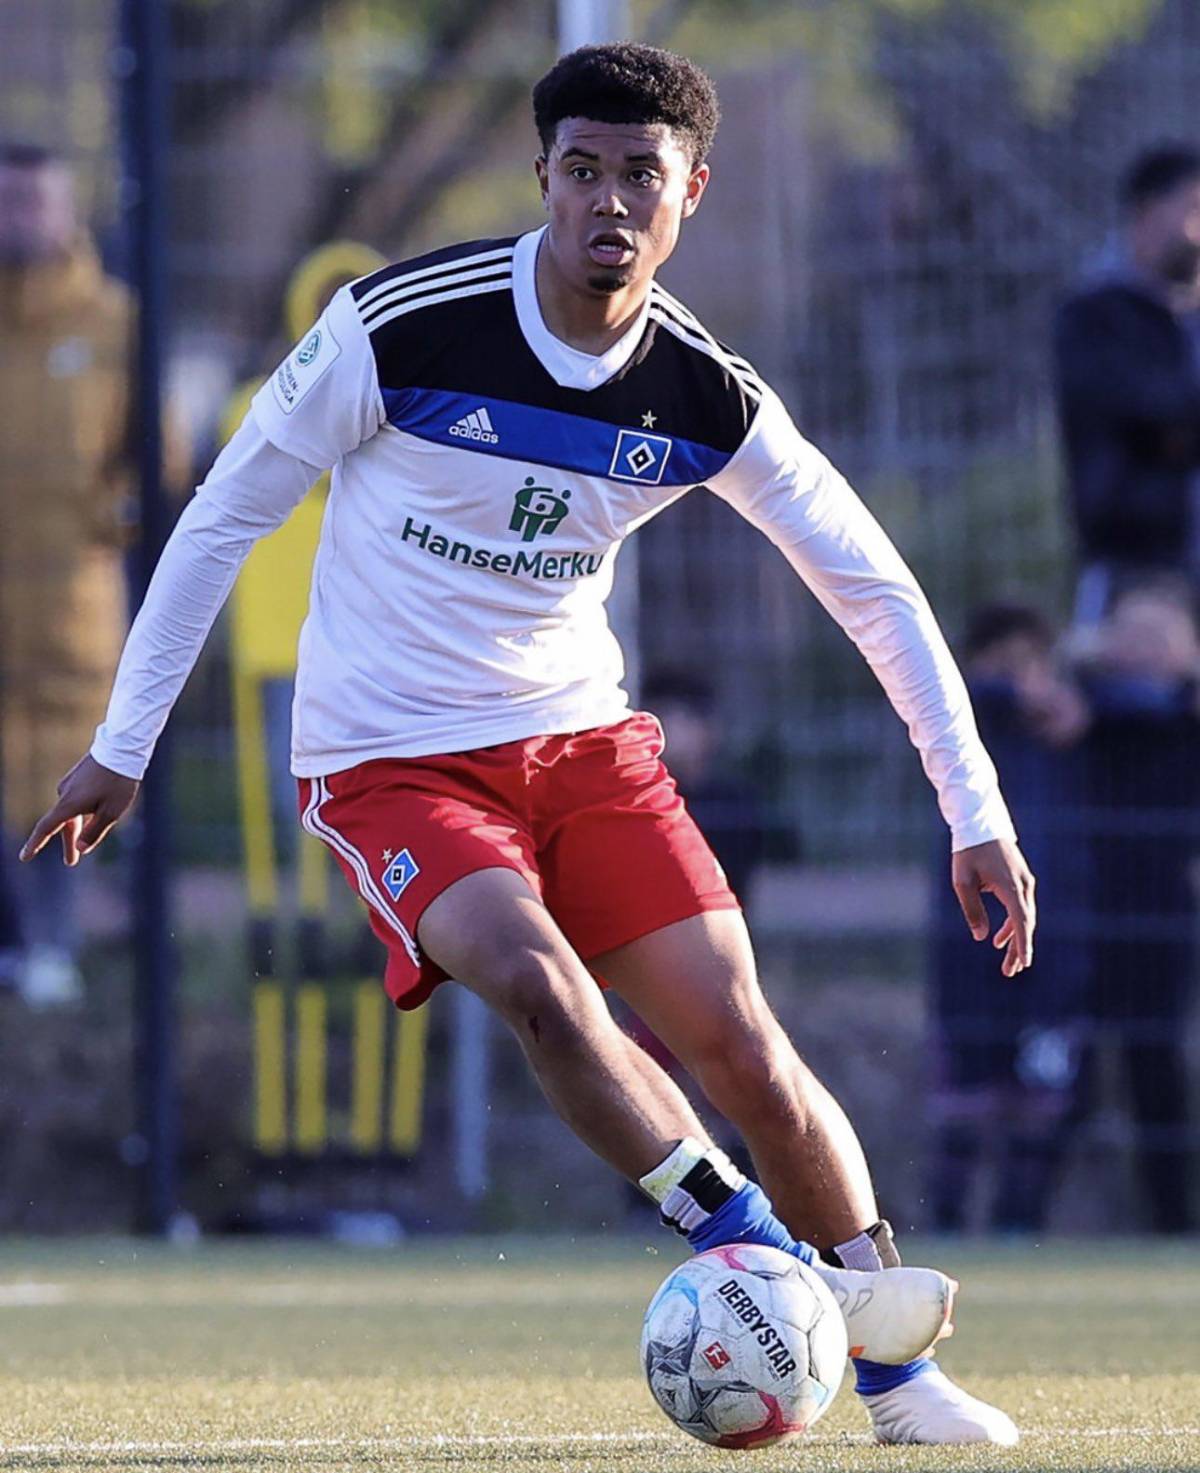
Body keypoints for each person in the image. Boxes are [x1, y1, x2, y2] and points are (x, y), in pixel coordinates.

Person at [20, 46, 1034, 1444]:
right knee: (539, 985)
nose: (610, 201)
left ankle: (898, 1374)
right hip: (389, 759)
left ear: (694, 195)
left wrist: (974, 809)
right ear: (542, 177)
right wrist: (123, 744)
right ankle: (751, 1250)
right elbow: (223, 513)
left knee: (741, 1039)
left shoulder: (701, 393)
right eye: (584, 170)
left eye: (643, 175)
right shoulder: (400, 326)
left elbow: (871, 587)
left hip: (582, 747)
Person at [0, 141, 186, 1005]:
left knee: (61, 779)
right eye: (8, 202)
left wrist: (98, 526)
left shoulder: (115, 323)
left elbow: (159, 465)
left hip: (72, 614)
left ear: (69, 209)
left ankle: (56, 951)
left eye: (36, 202)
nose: (21, 220)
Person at [927, 603, 1089, 1234]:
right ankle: (945, 1224)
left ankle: (1020, 1226)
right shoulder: (954, 733)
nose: (1018, 679)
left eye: (1030, 664)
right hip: (965, 945)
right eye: (1000, 663)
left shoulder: (1075, 733)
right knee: (965, 1101)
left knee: (1042, 1098)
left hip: (1060, 951)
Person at [1076, 578, 1199, 1233]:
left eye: (1161, 637)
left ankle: (1172, 1221)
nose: (1146, 650)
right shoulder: (1089, 709)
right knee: (1071, 1068)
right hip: (1081, 919)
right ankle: (1015, 1218)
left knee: (1156, 1065)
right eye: (1134, 635)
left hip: (1163, 921)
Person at [1054, 143, 1200, 625]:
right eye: (1194, 209)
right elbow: (1151, 411)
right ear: (1147, 210)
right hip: (1136, 568)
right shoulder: (1094, 317)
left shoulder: (1189, 315)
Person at [641, 667, 798, 901]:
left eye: (677, 720)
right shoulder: (637, 803)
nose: (662, 735)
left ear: (708, 729)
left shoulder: (736, 803)